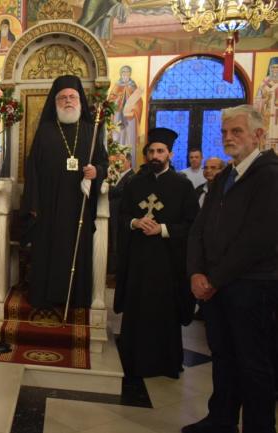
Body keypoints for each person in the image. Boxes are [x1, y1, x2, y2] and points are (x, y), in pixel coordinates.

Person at [185, 105, 278, 433]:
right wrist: (196, 272)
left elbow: (259, 238)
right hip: (216, 285)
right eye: (224, 132)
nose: (228, 137)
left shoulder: (269, 175)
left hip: (252, 285)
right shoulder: (225, 176)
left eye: (236, 131)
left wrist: (214, 278)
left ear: (258, 135)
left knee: (253, 364)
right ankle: (221, 420)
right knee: (223, 356)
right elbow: (199, 228)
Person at [114, 127, 199, 378]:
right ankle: (133, 359)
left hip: (167, 261)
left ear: (169, 154)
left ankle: (164, 362)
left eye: (160, 151)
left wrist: (162, 229)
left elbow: (192, 225)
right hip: (138, 259)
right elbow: (122, 215)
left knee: (164, 310)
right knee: (137, 307)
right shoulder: (135, 183)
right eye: (151, 151)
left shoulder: (183, 186)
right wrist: (135, 222)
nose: (155, 156)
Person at [20, 75, 108, 309]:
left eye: (72, 97)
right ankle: (45, 297)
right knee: (48, 250)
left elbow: (103, 162)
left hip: (79, 205)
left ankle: (76, 298)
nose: (68, 101)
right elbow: (32, 169)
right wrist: (33, 205)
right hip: (48, 206)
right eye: (63, 98)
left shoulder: (90, 131)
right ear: (55, 102)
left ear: (79, 101)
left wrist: (96, 171)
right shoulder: (45, 131)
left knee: (76, 251)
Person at [107, 151, 133, 275]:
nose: (119, 163)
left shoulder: (131, 176)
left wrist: (107, 186)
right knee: (112, 241)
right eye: (117, 161)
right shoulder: (117, 175)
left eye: (122, 161)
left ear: (129, 162)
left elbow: (118, 192)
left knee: (117, 242)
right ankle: (111, 269)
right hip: (112, 214)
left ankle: (116, 272)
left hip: (120, 215)